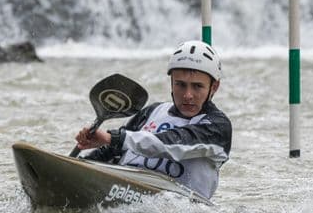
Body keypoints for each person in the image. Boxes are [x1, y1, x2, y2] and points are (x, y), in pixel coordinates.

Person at [75, 40, 232, 200]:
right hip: (122, 187)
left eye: (197, 86)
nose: (187, 95)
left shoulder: (218, 127)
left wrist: (113, 138)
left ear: (214, 87)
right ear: (171, 82)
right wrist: (79, 164)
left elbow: (172, 143)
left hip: (176, 208)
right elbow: (113, 151)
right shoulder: (153, 111)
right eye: (180, 84)